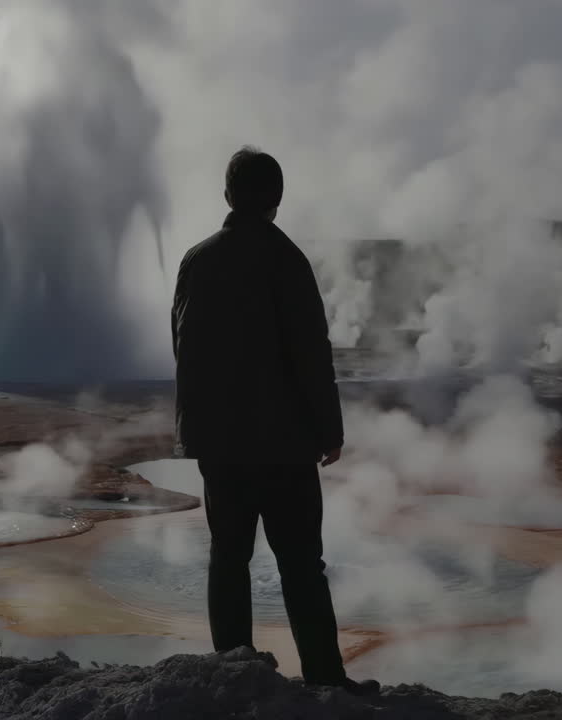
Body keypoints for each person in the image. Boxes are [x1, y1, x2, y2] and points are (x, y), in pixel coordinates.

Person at [171, 146, 379, 696]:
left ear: (227, 196)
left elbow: (183, 348)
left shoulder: (198, 260)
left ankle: (231, 675)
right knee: (301, 565)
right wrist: (328, 431)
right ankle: (326, 680)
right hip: (285, 444)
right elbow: (311, 353)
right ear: (278, 201)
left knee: (229, 556)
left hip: (222, 444)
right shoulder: (288, 260)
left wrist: (194, 432)